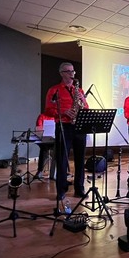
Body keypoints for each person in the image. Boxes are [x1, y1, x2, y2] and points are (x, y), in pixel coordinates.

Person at [44, 62, 88, 204]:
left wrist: (83, 101)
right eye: (68, 71)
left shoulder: (79, 90)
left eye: (73, 71)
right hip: (64, 126)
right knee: (62, 159)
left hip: (79, 127)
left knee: (80, 159)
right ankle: (61, 190)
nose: (71, 74)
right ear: (61, 73)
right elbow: (48, 110)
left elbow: (86, 108)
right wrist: (63, 112)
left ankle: (79, 188)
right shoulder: (54, 90)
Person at [34, 112, 55, 180]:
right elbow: (38, 129)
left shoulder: (57, 117)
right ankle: (40, 171)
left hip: (54, 139)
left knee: (61, 148)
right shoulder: (42, 116)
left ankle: (57, 171)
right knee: (44, 148)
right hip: (44, 139)